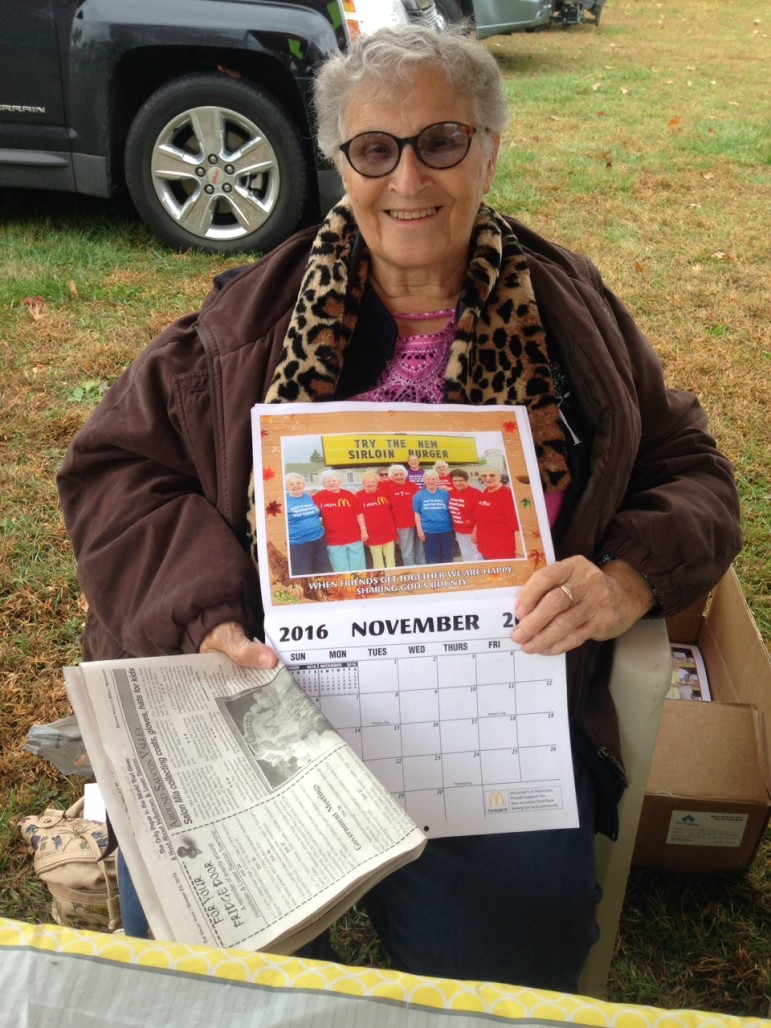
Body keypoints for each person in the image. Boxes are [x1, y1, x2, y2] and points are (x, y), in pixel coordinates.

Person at [57, 23, 741, 992]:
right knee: (217, 960)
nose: (408, 179)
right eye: (375, 149)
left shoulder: (572, 314)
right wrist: (206, 617)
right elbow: (119, 472)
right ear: (342, 163)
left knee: (512, 955)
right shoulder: (247, 320)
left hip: (486, 714)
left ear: (491, 149)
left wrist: (626, 577)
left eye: (442, 142)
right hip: (277, 693)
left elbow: (693, 468)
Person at [312, 468, 367, 572]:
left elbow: (359, 513)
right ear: (324, 484)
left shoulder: (348, 495)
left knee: (359, 569)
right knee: (341, 570)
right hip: (333, 541)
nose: (332, 483)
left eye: (334, 481)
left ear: (339, 482)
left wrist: (364, 530)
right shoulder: (318, 498)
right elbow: (314, 517)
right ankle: (346, 589)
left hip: (354, 537)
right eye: (328, 481)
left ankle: (361, 587)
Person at [284, 472, 333, 576]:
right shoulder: (284, 501)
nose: (295, 486)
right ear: (286, 486)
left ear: (303, 485)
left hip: (319, 540)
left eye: (298, 483)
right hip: (298, 544)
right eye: (291, 484)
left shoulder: (309, 497)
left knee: (325, 572)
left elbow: (320, 513)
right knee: (303, 573)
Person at [472, 466, 522, 560]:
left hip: (502, 552)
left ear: (500, 476)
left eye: (492, 475)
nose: (488, 478)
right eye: (484, 476)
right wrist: (474, 533)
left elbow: (517, 527)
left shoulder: (508, 495)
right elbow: (480, 517)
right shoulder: (486, 491)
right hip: (485, 548)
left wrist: (520, 551)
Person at [356, 469, 399, 568]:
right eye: (368, 482)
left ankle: (391, 578)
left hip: (388, 531)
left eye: (373, 482)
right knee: (377, 559)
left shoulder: (384, 493)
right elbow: (359, 514)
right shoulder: (359, 495)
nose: (371, 484)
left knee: (390, 558)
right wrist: (363, 530)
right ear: (363, 483)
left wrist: (396, 528)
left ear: (377, 482)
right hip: (372, 533)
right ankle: (380, 581)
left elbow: (392, 511)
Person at [382, 463, 424, 565]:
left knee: (420, 548)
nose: (399, 476)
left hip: (417, 521)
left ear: (405, 475)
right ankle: (411, 572)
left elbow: (420, 502)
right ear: (392, 476)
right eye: (396, 474)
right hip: (402, 524)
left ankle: (422, 569)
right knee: (407, 550)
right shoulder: (385, 487)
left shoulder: (412, 485)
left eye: (401, 474)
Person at [413, 470, 455, 565]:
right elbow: (417, 513)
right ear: (424, 480)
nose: (431, 481)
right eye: (428, 479)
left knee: (448, 557)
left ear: (438, 480)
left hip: (446, 530)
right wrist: (420, 531)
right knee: (432, 558)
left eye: (433, 479)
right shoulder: (419, 495)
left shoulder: (445, 494)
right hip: (429, 531)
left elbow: (451, 511)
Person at [447, 468, 482, 562]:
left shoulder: (476, 493)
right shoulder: (452, 493)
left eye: (460, 480)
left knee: (477, 556)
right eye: (455, 481)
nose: (457, 483)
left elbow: (481, 516)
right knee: (465, 554)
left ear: (467, 480)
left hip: (472, 531)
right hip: (459, 531)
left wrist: (475, 532)